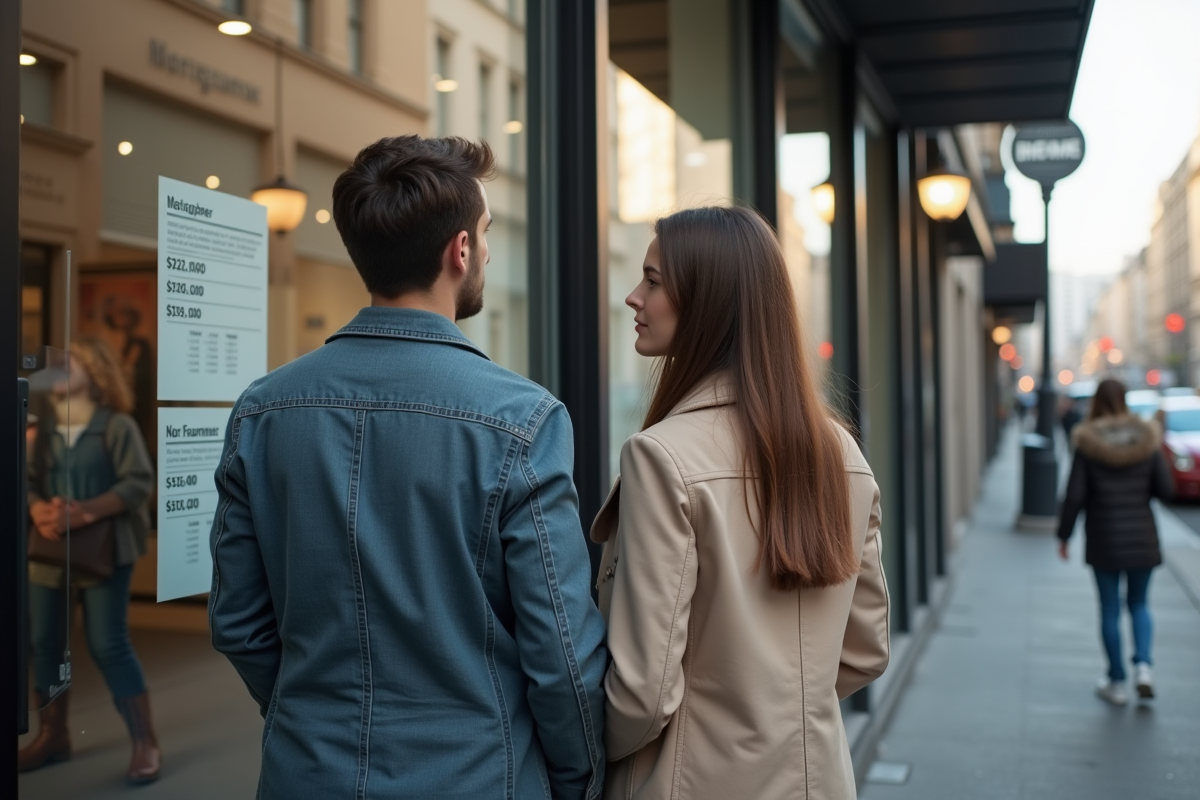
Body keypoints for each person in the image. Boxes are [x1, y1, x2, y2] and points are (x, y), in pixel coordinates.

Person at [208, 135, 607, 799]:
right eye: (483, 234)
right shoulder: (523, 420)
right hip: (480, 778)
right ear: (460, 251)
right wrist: (575, 781)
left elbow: (237, 623)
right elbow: (563, 659)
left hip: (304, 775)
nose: (485, 250)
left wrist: (313, 720)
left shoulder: (262, 411)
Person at [591, 206, 890, 799]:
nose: (633, 297)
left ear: (708, 300)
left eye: (652, 280)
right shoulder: (842, 454)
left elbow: (642, 694)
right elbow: (865, 650)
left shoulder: (661, 458)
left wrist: (583, 755)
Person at [21, 336, 160, 784]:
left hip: (104, 551)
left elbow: (139, 483)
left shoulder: (116, 426)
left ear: (95, 375)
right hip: (48, 551)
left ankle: (145, 742)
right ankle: (54, 736)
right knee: (44, 642)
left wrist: (85, 512)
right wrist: (35, 507)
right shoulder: (38, 430)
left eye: (70, 364)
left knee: (107, 643)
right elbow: (22, 480)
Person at [1058, 378, 1172, 705]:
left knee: (1109, 608)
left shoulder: (1087, 442)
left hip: (1104, 537)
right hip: (1142, 537)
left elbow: (1074, 495)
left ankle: (1117, 682)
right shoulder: (1146, 439)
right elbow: (1165, 490)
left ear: (1096, 402)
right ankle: (1145, 667)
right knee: (1139, 603)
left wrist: (1064, 536)